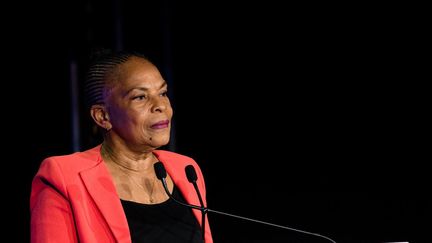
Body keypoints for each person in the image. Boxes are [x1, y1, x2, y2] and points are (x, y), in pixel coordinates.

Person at [30, 49, 213, 243]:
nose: (160, 105)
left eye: (163, 93)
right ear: (102, 116)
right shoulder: (64, 178)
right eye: (140, 97)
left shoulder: (186, 170)